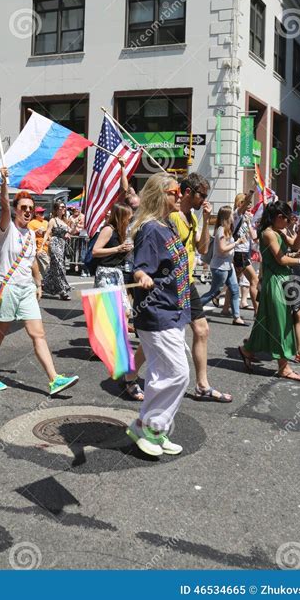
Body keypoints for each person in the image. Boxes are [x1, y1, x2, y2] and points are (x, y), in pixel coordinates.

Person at [0, 167, 79, 394]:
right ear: (15, 210)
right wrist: (4, 182)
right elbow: (4, 203)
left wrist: (38, 283)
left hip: (26, 289)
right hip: (7, 287)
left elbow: (31, 259)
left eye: (30, 209)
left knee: (38, 334)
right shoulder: (8, 229)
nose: (27, 212)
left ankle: (54, 379)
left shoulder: (31, 234)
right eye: (23, 208)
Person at [126, 172, 191, 457]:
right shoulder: (151, 229)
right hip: (157, 312)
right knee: (178, 374)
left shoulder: (167, 225)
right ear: (160, 195)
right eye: (175, 191)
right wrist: (141, 275)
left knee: (160, 373)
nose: (180, 195)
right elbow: (139, 265)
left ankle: (150, 426)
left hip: (172, 311)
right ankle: (150, 427)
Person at [239, 202, 300, 380]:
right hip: (275, 280)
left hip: (284, 279)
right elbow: (281, 259)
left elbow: (294, 247)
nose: (288, 220)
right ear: (277, 216)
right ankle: (283, 367)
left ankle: (247, 350)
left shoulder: (278, 231)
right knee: (281, 323)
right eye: (285, 217)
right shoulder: (268, 233)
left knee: (267, 321)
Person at [170, 173, 232, 403]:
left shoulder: (193, 218)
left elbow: (204, 248)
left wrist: (206, 220)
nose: (204, 200)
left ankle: (202, 385)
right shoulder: (173, 217)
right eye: (202, 195)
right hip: (172, 285)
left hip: (188, 282)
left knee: (202, 330)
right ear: (188, 192)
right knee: (163, 333)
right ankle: (130, 375)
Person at [92, 201, 146, 401]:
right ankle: (110, 351)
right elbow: (95, 251)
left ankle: (105, 347)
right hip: (106, 273)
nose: (130, 219)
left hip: (116, 274)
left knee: (124, 312)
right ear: (120, 216)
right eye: (128, 216)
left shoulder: (123, 231)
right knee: (110, 313)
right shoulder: (109, 229)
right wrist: (118, 249)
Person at [199, 206, 247, 326]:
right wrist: (237, 243)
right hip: (220, 267)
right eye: (231, 215)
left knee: (235, 290)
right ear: (226, 217)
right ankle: (193, 309)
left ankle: (237, 317)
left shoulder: (227, 230)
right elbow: (222, 249)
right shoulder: (221, 230)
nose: (233, 217)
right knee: (214, 292)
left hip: (228, 266)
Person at [223, 191, 259, 314]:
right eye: (245, 202)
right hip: (239, 252)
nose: (249, 205)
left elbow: (253, 236)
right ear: (239, 203)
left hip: (244, 252)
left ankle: (225, 308)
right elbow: (244, 205)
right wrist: (253, 189)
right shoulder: (236, 214)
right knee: (254, 280)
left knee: (234, 281)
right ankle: (257, 311)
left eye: (249, 203)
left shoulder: (246, 217)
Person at [42, 201, 72, 300]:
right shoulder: (53, 220)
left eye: (64, 207)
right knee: (60, 266)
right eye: (61, 207)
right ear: (56, 209)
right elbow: (47, 233)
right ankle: (63, 290)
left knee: (54, 268)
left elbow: (70, 231)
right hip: (54, 244)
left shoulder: (65, 221)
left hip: (62, 244)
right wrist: (42, 246)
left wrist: (68, 234)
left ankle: (45, 284)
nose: (63, 209)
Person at [28, 207, 49, 278]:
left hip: (48, 248)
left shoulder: (46, 222)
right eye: (41, 213)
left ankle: (44, 282)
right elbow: (28, 235)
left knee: (41, 268)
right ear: (36, 214)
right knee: (47, 266)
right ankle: (49, 282)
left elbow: (50, 233)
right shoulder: (31, 223)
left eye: (43, 212)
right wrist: (36, 231)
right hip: (39, 249)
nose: (43, 214)